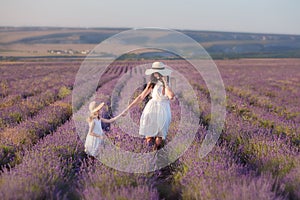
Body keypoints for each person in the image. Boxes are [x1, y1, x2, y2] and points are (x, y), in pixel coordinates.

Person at [122, 61, 175, 150]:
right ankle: (149, 152)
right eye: (155, 72)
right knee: (149, 134)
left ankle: (155, 153)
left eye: (157, 72)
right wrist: (128, 108)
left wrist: (165, 83)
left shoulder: (167, 85)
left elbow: (171, 96)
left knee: (160, 136)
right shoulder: (152, 83)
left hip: (163, 110)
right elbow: (141, 97)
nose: (155, 74)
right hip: (152, 108)